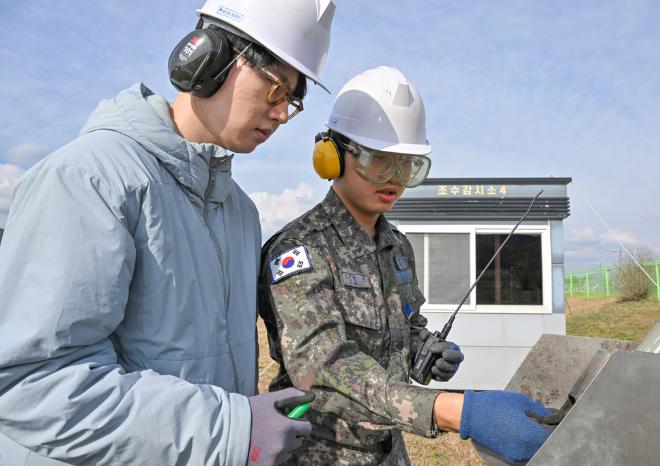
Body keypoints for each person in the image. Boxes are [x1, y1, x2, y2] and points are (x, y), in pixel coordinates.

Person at [0, 1, 335, 465]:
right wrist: (230, 428)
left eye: (291, 102)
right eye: (276, 90)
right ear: (208, 58)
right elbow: (33, 386)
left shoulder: (239, 211)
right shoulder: (89, 180)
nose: (281, 115)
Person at [258, 66, 555, 465]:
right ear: (332, 155)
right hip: (319, 453)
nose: (395, 180)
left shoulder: (397, 247)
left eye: (408, 165)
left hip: (389, 451)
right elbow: (326, 369)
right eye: (381, 161)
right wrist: (457, 410)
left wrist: (425, 350)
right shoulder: (298, 250)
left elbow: (405, 326)